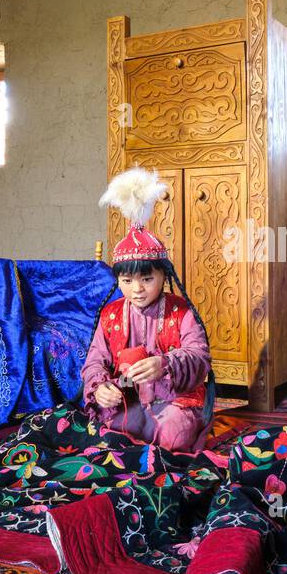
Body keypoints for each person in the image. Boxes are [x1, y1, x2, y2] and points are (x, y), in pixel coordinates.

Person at [80, 167, 215, 452]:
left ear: (163, 276)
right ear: (118, 279)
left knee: (172, 438)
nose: (137, 289)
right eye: (127, 281)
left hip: (175, 398)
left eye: (147, 279)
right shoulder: (112, 315)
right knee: (110, 434)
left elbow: (199, 357)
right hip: (128, 399)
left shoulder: (181, 312)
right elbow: (95, 361)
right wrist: (99, 389)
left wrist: (164, 364)